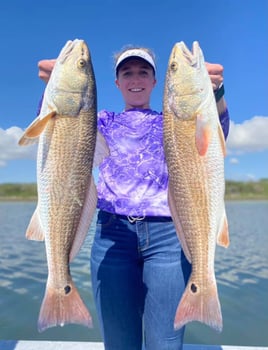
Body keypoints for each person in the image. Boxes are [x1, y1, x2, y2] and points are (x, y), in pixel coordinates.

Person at [38, 44, 230, 350]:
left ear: (156, 82)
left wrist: (216, 95)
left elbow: (216, 132)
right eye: (127, 73)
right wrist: (53, 87)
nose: (135, 78)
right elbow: (57, 137)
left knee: (165, 342)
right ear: (117, 83)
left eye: (144, 72)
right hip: (112, 238)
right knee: (118, 343)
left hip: (168, 238)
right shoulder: (100, 120)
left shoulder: (171, 120)